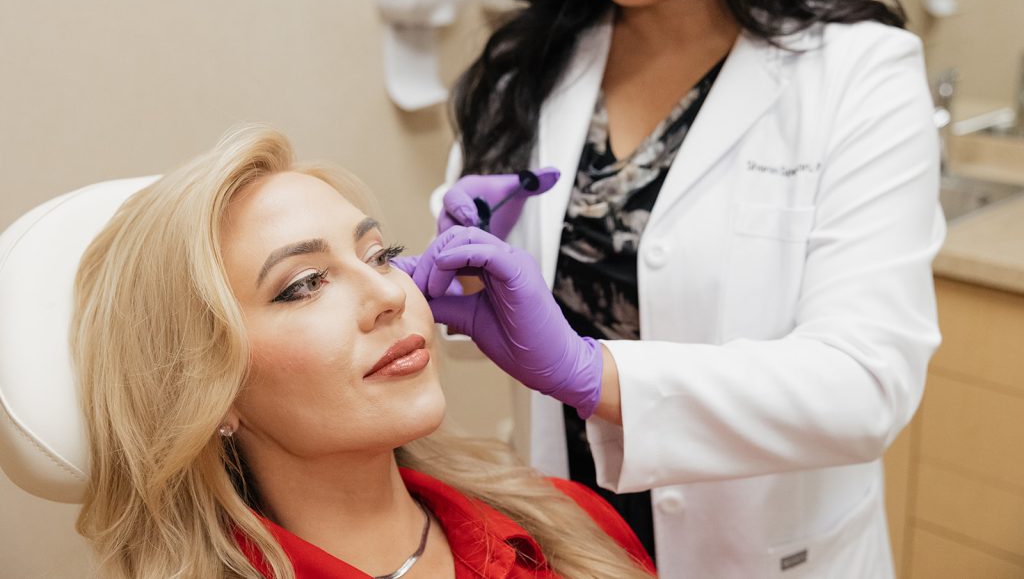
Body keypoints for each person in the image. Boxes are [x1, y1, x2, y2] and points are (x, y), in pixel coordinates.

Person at [403, 0, 945, 576]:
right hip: (577, 546)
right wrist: (459, 271)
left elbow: (867, 381)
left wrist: (593, 373)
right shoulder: (528, 66)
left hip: (762, 552)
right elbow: (486, 316)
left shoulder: (861, 73)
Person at [70, 125, 655, 579]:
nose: (387, 294)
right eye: (303, 285)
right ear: (211, 392)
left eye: (379, 254)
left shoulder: (567, 523)